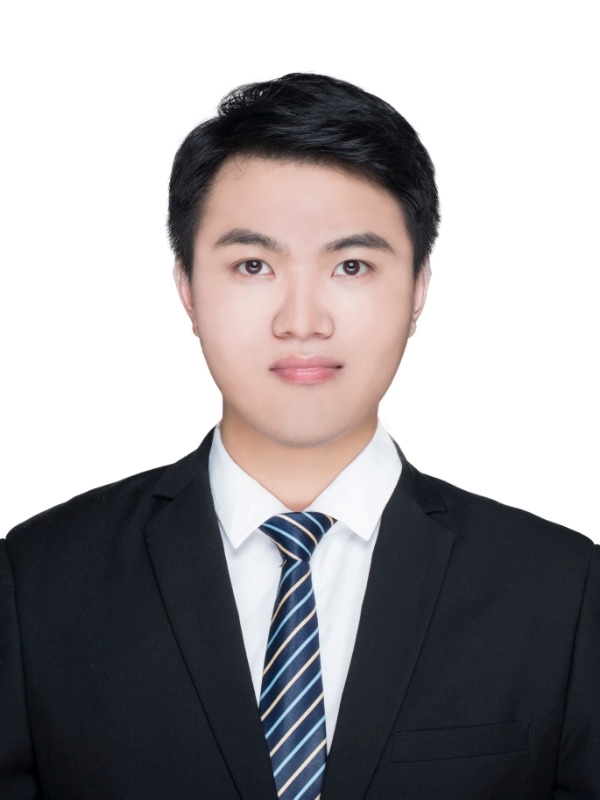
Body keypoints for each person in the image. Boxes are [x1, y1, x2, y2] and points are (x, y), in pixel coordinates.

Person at [1, 73, 598, 800]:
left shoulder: (561, 590)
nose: (302, 321)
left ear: (418, 289)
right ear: (187, 288)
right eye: (253, 266)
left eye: (352, 266)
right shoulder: (36, 582)